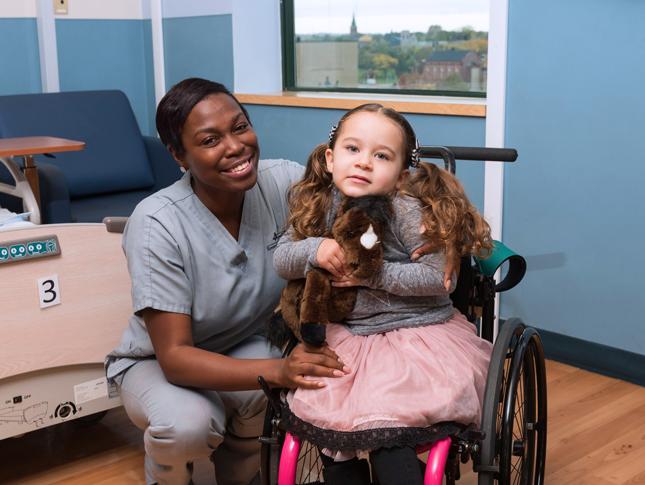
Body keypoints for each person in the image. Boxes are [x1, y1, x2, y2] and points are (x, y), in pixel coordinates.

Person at [104, 78, 349, 485]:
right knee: (188, 425)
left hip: (243, 342)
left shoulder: (283, 182)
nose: (235, 147)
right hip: (159, 363)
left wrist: (444, 241)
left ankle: (242, 471)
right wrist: (279, 369)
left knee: (286, 389)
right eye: (209, 140)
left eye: (240, 127)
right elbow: (176, 357)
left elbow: (370, 209)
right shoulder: (157, 222)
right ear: (179, 156)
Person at [273, 103, 494, 485]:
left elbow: (437, 279)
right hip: (350, 337)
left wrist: (370, 276)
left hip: (414, 336)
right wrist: (314, 249)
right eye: (353, 149)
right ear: (330, 158)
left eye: (381, 155)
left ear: (401, 174)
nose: (363, 163)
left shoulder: (405, 210)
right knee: (333, 431)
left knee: (390, 438)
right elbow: (281, 259)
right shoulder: (319, 205)